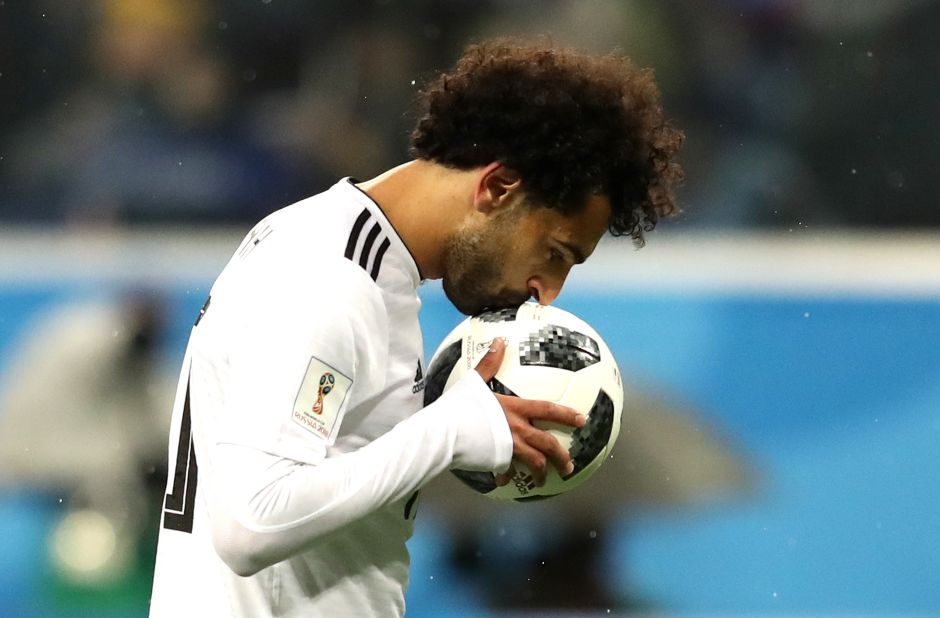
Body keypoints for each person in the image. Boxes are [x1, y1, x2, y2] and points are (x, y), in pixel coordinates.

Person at [149, 39, 683, 617]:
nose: (546, 292)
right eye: (555, 253)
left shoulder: (356, 259)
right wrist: (450, 430)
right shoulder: (328, 277)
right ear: (498, 188)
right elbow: (251, 524)